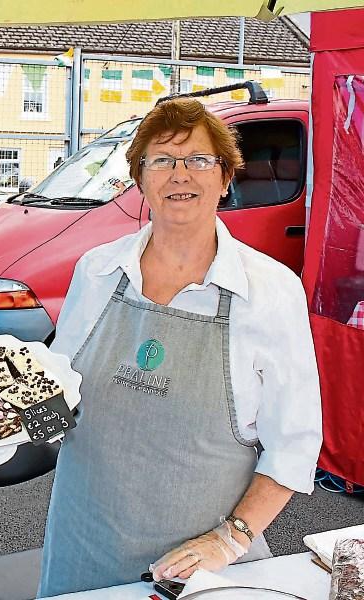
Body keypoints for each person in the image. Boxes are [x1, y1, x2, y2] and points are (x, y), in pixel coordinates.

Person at [37, 98, 322, 596]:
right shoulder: (97, 270)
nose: (180, 174)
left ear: (226, 177)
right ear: (140, 179)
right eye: (162, 160)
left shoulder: (270, 291)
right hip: (83, 541)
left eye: (199, 159)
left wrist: (230, 539)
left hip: (200, 567)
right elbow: (56, 392)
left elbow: (294, 444)